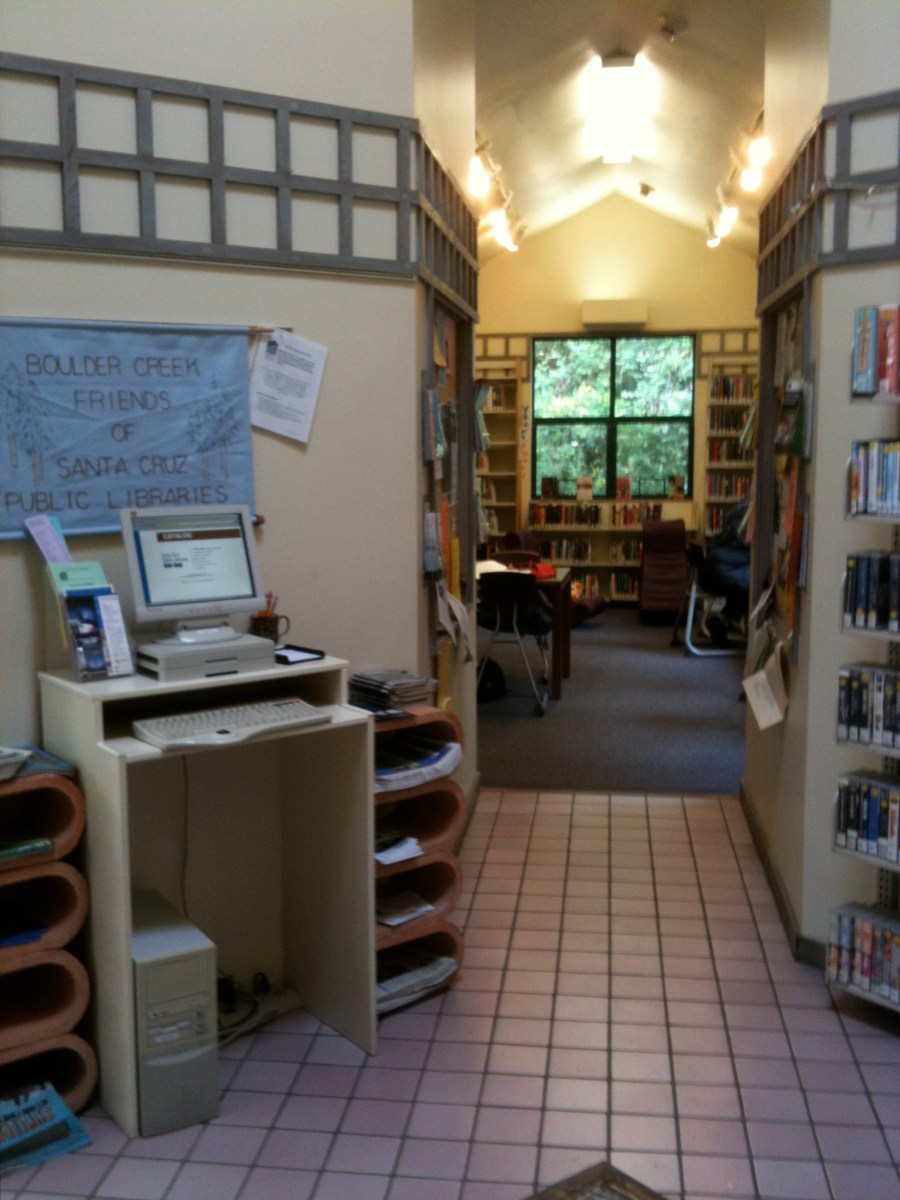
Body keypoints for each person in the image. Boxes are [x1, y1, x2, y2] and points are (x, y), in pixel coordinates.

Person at [699, 500, 750, 645]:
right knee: (753, 587)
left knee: (744, 584)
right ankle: (724, 620)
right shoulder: (746, 536)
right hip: (721, 573)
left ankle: (722, 620)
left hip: (707, 573)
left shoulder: (738, 511)